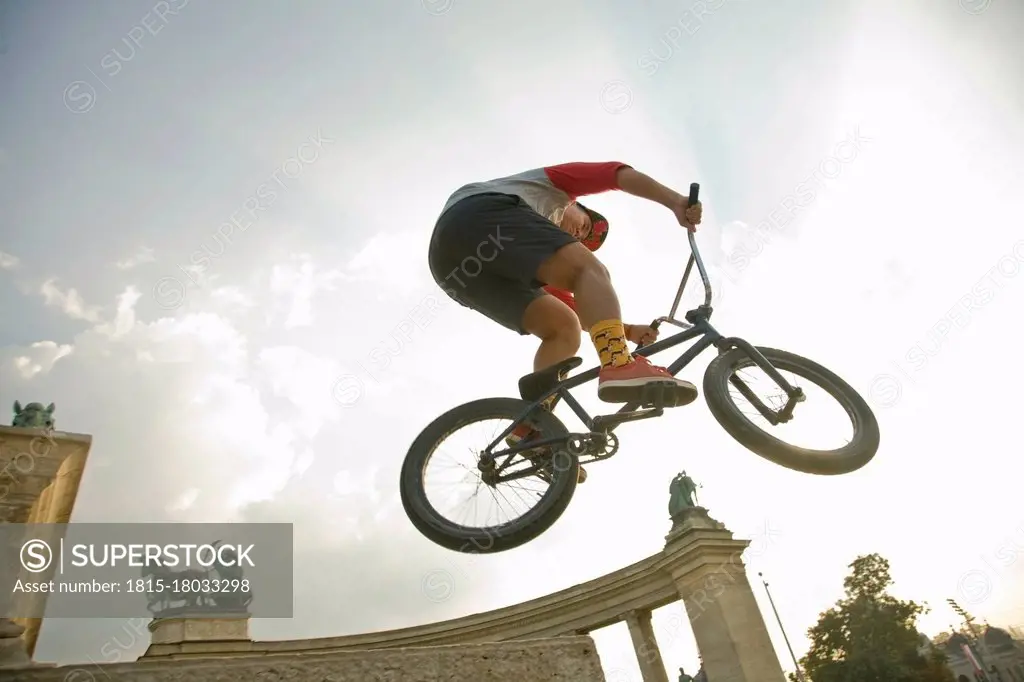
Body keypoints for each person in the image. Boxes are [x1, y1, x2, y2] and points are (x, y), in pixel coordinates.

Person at [428, 162, 702, 483]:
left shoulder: (528, 249)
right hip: (479, 213)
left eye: (583, 237)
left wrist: (628, 331)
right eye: (584, 227)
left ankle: (530, 428)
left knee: (564, 326)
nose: (578, 235)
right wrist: (674, 201)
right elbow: (617, 174)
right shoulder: (552, 187)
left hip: (453, 268)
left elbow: (581, 311)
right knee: (590, 270)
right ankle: (617, 363)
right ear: (576, 205)